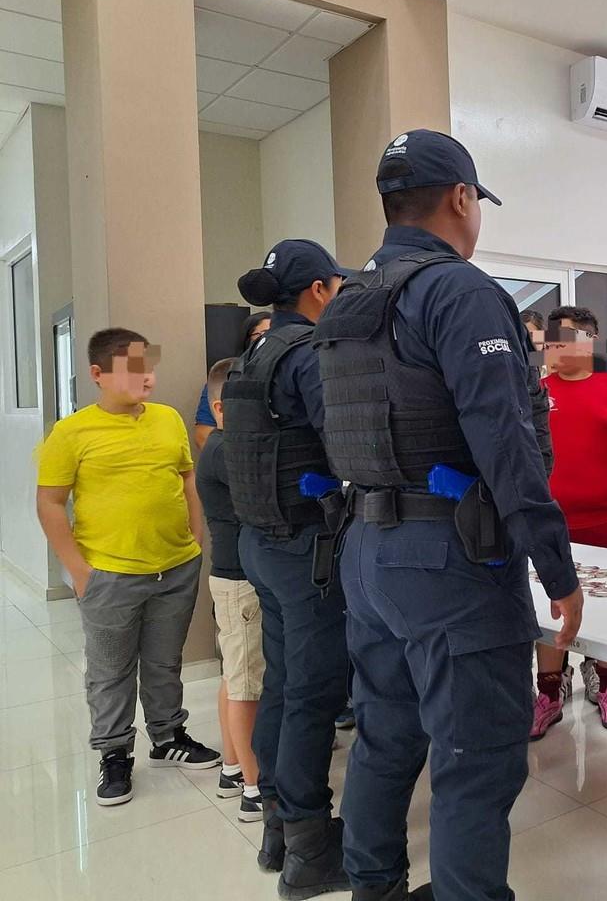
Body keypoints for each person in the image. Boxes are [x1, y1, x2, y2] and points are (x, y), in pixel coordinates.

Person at [313, 129, 581, 901]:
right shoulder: (459, 290)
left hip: (368, 550)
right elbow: (508, 443)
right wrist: (557, 570)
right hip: (449, 559)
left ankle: (374, 886)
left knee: (387, 739)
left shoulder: (348, 299)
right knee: (476, 763)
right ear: (462, 199)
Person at [36, 329, 219, 808]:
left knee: (164, 661)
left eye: (149, 368)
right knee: (111, 671)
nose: (147, 379)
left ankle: (167, 736)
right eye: (134, 370)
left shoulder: (167, 420)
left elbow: (187, 479)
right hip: (109, 574)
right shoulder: (71, 432)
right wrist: (79, 571)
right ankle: (115, 753)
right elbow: (50, 503)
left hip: (174, 567)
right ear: (98, 375)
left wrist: (195, 542)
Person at [223, 239, 352, 897]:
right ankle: (308, 850)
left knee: (282, 685)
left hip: (261, 543)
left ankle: (278, 827)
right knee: (312, 693)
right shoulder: (307, 355)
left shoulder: (253, 356)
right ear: (321, 291)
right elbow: (347, 446)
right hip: (305, 549)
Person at [530, 305, 607, 738]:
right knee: (549, 603)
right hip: (552, 522)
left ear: (590, 341)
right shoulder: (538, 390)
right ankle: (549, 690)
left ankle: (606, 681)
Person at [195, 356, 265, 823]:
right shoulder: (224, 452)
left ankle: (232, 766)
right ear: (220, 407)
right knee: (246, 684)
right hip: (239, 580)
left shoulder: (221, 446)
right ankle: (254, 788)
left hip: (232, 577)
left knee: (234, 675)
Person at [194, 312, 270, 450]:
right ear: (248, 339)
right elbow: (202, 436)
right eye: (264, 334)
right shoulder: (226, 376)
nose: (271, 340)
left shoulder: (291, 374)